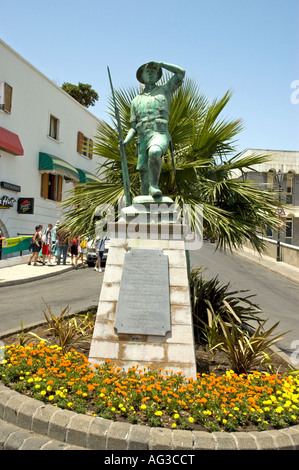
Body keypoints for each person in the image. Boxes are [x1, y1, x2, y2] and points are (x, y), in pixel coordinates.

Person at [123, 61, 185, 198]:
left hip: (159, 133)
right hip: (143, 136)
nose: (151, 73)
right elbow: (133, 127)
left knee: (155, 151)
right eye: (147, 71)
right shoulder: (136, 101)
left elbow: (181, 72)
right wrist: (126, 141)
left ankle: (154, 186)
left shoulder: (166, 89)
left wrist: (161, 64)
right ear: (142, 76)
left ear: (158, 75)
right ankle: (145, 208)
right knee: (144, 181)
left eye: (154, 71)